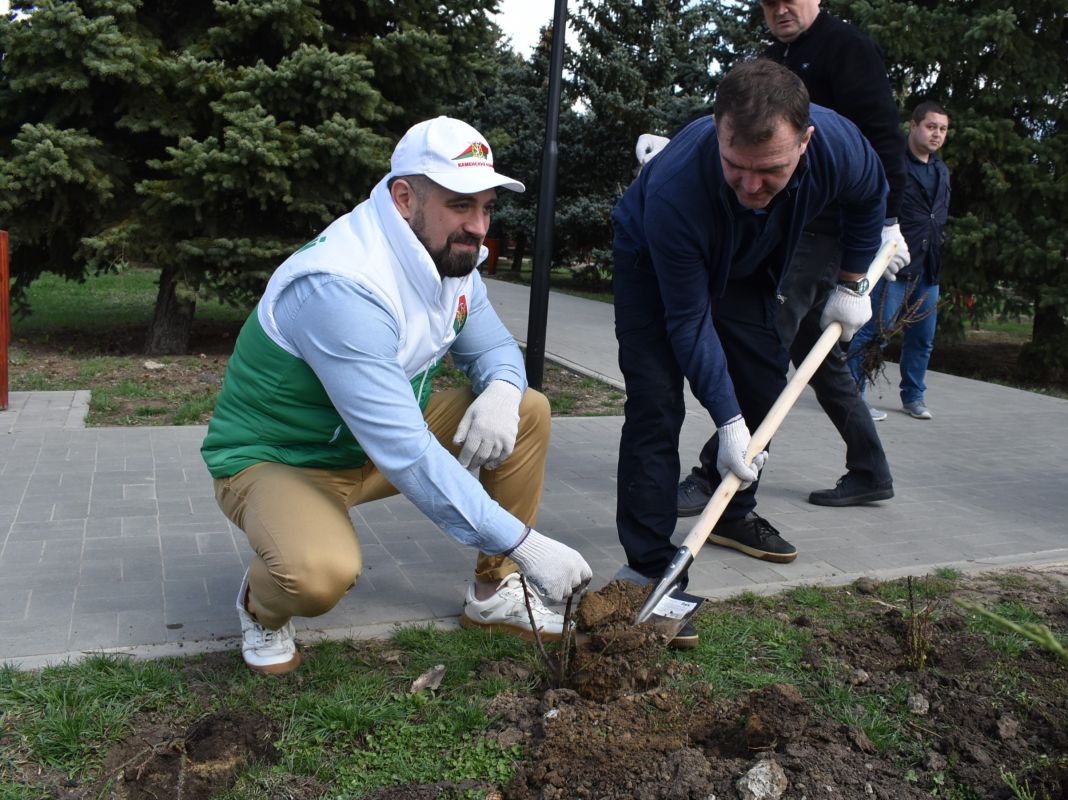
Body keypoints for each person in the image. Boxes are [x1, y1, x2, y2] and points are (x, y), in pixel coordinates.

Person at [200, 116, 592, 674]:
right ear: (405, 197)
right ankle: (260, 605)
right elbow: (406, 451)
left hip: (371, 442)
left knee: (526, 410)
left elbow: (496, 349)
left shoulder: (450, 256)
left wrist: (504, 388)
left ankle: (493, 593)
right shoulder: (343, 284)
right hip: (284, 458)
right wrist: (527, 545)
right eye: (461, 205)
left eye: (486, 207)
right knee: (317, 574)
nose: (478, 226)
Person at [611, 59, 887, 646]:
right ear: (718, 130)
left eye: (772, 170)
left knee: (765, 386)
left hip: (747, 261)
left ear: (805, 141)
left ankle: (730, 511)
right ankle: (646, 569)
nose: (753, 185)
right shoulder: (676, 187)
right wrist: (726, 420)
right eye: (737, 167)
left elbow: (871, 197)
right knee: (657, 404)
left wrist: (853, 282)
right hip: (655, 264)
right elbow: (687, 322)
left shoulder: (837, 145)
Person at [675, 0, 909, 519]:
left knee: (764, 339)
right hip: (787, 220)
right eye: (769, 1)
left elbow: (883, 136)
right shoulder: (773, 57)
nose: (780, 8)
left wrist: (888, 223)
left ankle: (720, 472)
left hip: (824, 225)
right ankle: (871, 469)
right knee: (819, 357)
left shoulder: (847, 48)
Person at [849, 101, 951, 419]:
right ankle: (853, 398)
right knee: (873, 333)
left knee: (922, 340)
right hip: (893, 267)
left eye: (943, 129)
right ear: (914, 126)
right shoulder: (895, 167)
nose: (937, 134)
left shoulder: (941, 170)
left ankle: (913, 397)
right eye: (931, 126)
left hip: (927, 269)